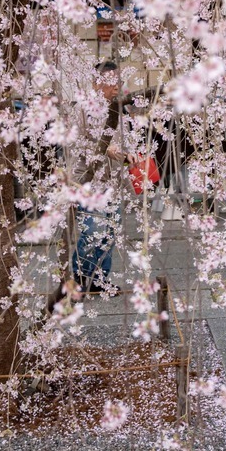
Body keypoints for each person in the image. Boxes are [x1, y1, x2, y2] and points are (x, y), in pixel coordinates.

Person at [71, 60, 133, 293]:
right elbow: (77, 142)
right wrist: (106, 149)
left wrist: (129, 155)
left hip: (112, 179)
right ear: (97, 83)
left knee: (109, 232)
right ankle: (80, 278)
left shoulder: (119, 109)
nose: (117, 86)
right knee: (92, 230)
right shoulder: (82, 108)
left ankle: (99, 279)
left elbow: (125, 141)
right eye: (111, 81)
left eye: (119, 81)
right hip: (88, 178)